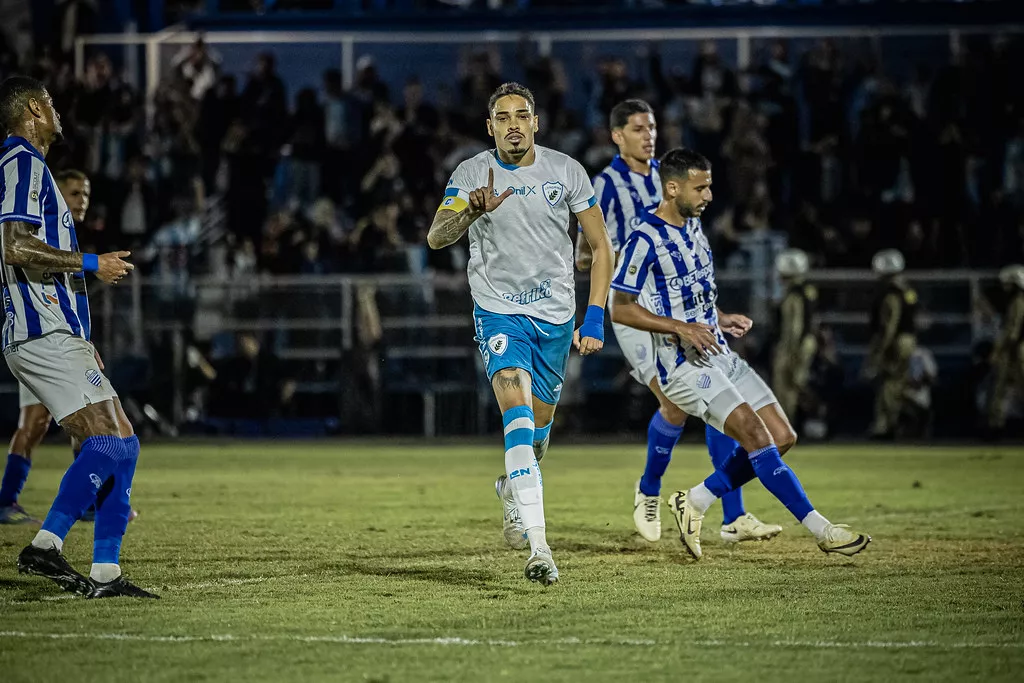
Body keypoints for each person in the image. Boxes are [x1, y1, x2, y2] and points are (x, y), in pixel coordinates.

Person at [609, 147, 870, 560]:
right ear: (672, 188)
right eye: (701, 187)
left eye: (709, 186)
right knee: (755, 435)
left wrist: (721, 316)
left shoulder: (694, 228)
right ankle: (823, 530)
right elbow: (621, 306)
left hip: (718, 352)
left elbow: (693, 294)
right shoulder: (644, 238)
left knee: (783, 437)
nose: (709, 195)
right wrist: (681, 327)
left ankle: (695, 500)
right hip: (682, 366)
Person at [427, 82, 614, 585]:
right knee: (517, 414)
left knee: (538, 435)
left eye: (522, 115)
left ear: (536, 123)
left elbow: (600, 246)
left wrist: (593, 317)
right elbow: (437, 236)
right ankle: (540, 547)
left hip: (554, 317)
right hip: (498, 312)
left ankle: (513, 487)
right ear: (490, 127)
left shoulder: (566, 171)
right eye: (503, 116)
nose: (513, 123)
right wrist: (471, 211)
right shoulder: (471, 173)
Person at [578, 99, 780, 545]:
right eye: (636, 128)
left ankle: (733, 516)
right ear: (616, 136)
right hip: (632, 309)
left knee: (713, 393)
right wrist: (613, 259)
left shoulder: (669, 177)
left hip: (680, 307)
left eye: (651, 127)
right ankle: (650, 490)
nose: (648, 135)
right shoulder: (605, 186)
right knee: (676, 403)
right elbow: (582, 253)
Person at [0, 76, 156, 598]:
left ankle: (106, 572)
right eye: (49, 103)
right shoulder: (22, 161)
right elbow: (14, 246)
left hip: (56, 330)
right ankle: (45, 546)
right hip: (42, 329)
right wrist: (93, 261)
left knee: (124, 444)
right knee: (109, 440)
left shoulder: (30, 166)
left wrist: (84, 335)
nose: (57, 110)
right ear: (31, 111)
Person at [863, 249, 917, 439]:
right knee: (897, 383)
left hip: (896, 342)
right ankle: (894, 421)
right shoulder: (907, 289)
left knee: (889, 383)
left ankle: (887, 425)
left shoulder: (890, 293)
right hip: (908, 339)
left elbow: (889, 325)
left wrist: (881, 350)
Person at [772, 248, 819, 422]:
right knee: (797, 383)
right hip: (807, 340)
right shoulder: (808, 289)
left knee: (786, 385)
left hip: (795, 342)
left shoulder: (794, 293)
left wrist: (790, 350)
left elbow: (794, 325)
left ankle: (787, 424)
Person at [987, 264, 1024, 436]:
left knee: (1001, 388)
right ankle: (995, 425)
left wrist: (999, 351)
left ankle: (995, 427)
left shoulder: (1018, 301)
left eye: (1007, 284)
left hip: (1016, 350)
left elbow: (1012, 331)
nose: (1004, 288)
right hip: (1016, 348)